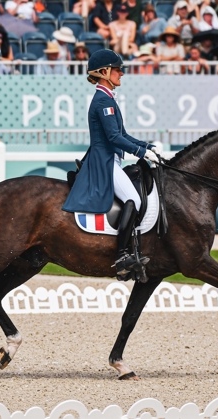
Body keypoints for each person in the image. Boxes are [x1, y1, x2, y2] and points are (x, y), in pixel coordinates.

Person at [61, 49, 160, 280]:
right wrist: (142, 153)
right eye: (117, 70)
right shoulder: (102, 101)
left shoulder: (108, 98)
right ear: (104, 72)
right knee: (133, 199)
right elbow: (114, 138)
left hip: (111, 158)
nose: (121, 74)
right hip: (103, 162)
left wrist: (148, 148)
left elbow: (123, 134)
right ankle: (122, 255)